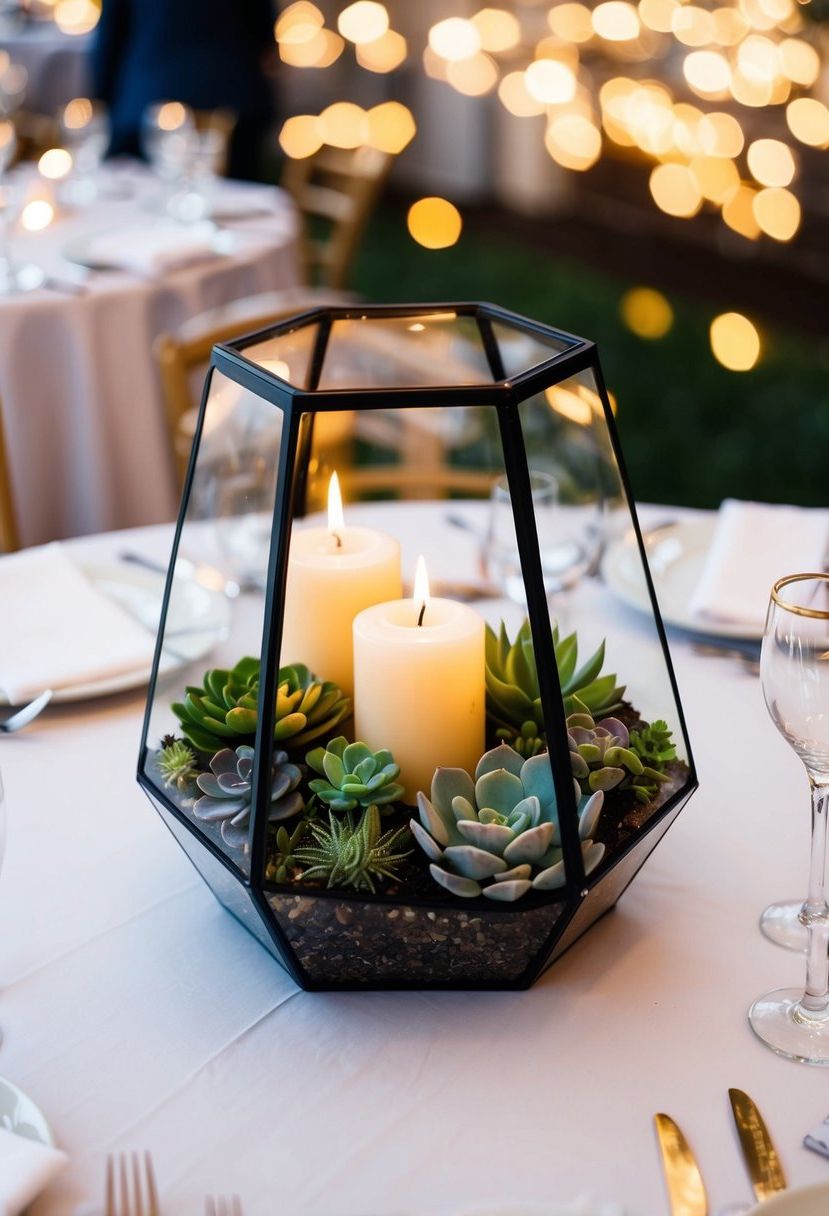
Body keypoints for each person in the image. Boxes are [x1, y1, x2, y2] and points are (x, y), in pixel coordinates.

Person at [90, 0, 277, 180]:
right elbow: (263, 28)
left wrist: (102, 104)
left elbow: (110, 37)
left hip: (148, 98)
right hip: (233, 95)